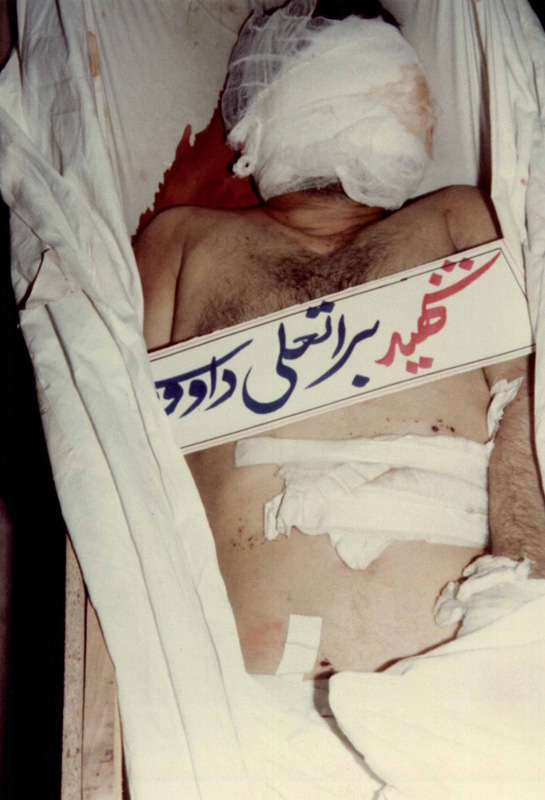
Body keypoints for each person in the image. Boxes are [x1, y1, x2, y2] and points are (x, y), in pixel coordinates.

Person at [135, 0, 545, 688]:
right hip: (245, 694)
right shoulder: (183, 243)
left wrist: (520, 593)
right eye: (374, 87)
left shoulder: (458, 218)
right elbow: (119, 438)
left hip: (468, 673)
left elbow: (529, 406)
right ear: (269, 106)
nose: (414, 113)